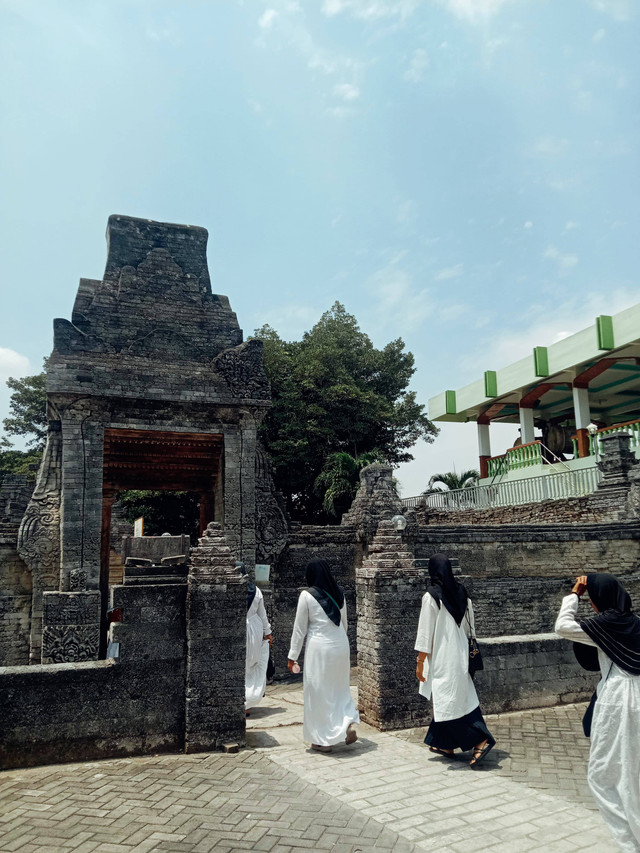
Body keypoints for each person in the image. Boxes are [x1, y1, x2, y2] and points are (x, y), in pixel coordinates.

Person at [555, 574, 640, 852]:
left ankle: (630, 843)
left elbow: (563, 626)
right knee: (632, 773)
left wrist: (574, 595)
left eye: (592, 600)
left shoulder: (606, 623)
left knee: (603, 775)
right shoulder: (634, 623)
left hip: (618, 700)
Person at [415, 553, 495, 768]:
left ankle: (480, 739)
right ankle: (444, 744)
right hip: (461, 653)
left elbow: (425, 633)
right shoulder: (463, 594)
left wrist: (420, 660)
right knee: (460, 694)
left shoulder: (431, 597)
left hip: (443, 655)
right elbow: (471, 630)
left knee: (450, 699)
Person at [287, 558, 360, 753]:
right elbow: (344, 624)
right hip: (340, 645)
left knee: (318, 692)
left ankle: (322, 740)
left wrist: (292, 656)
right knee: (339, 689)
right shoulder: (340, 593)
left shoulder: (306, 595)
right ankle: (346, 721)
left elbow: (299, 629)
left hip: (319, 649)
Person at [238, 561, 273, 714]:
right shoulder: (255, 590)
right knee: (251, 665)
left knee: (240, 665)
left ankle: (241, 701)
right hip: (255, 629)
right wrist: (268, 632)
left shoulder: (231, 589)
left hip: (237, 629)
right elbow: (262, 614)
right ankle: (248, 702)